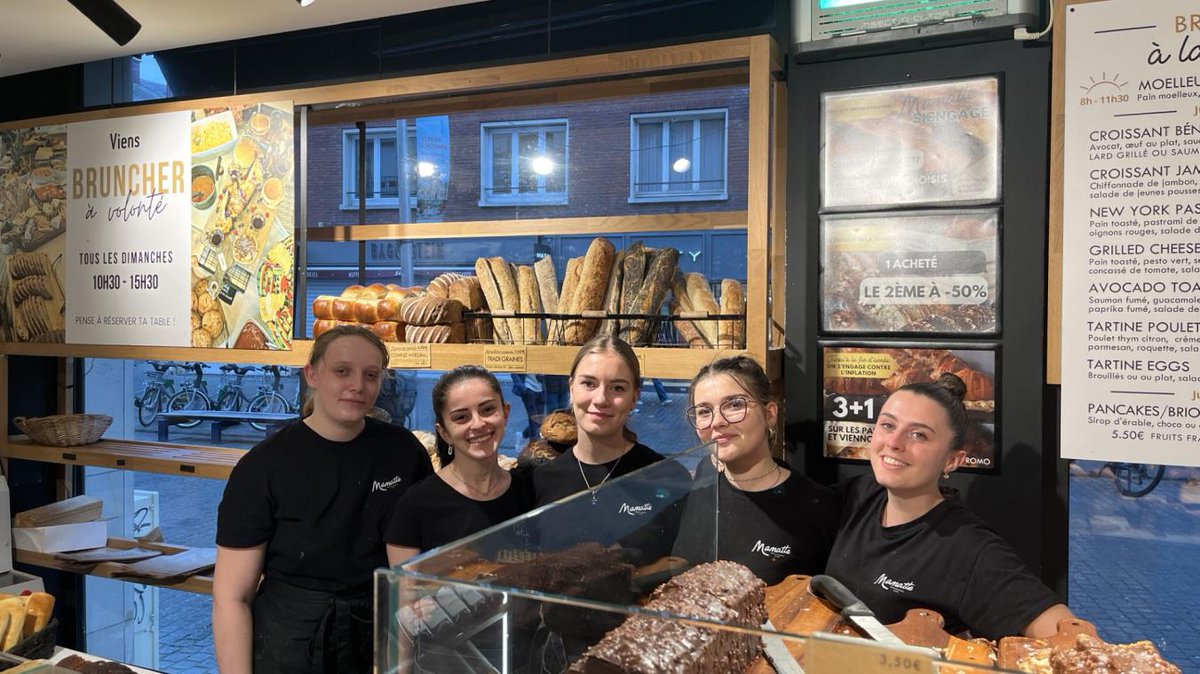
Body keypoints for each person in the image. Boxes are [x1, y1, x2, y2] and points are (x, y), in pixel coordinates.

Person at [213, 325, 434, 674]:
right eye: (342, 371)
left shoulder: (403, 451)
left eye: (371, 375)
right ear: (312, 374)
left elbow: (425, 554)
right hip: (290, 638)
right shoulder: (263, 466)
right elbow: (231, 598)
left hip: (380, 631)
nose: (358, 386)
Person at [824, 373, 1074, 640]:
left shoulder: (969, 549)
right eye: (887, 425)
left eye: (918, 435)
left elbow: (1068, 637)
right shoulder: (859, 496)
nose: (894, 443)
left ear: (953, 460)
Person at [673, 355, 839, 584]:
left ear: (769, 414)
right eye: (704, 411)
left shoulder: (817, 506)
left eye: (734, 405)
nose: (716, 421)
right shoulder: (704, 475)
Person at [531, 335, 691, 561]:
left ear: (634, 397)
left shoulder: (668, 476)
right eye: (589, 383)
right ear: (571, 388)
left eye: (617, 387)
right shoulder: (542, 480)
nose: (601, 399)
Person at [386, 365, 534, 563]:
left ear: (505, 413)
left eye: (488, 409)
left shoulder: (530, 492)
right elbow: (405, 591)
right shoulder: (416, 505)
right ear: (444, 432)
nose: (478, 423)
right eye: (461, 417)